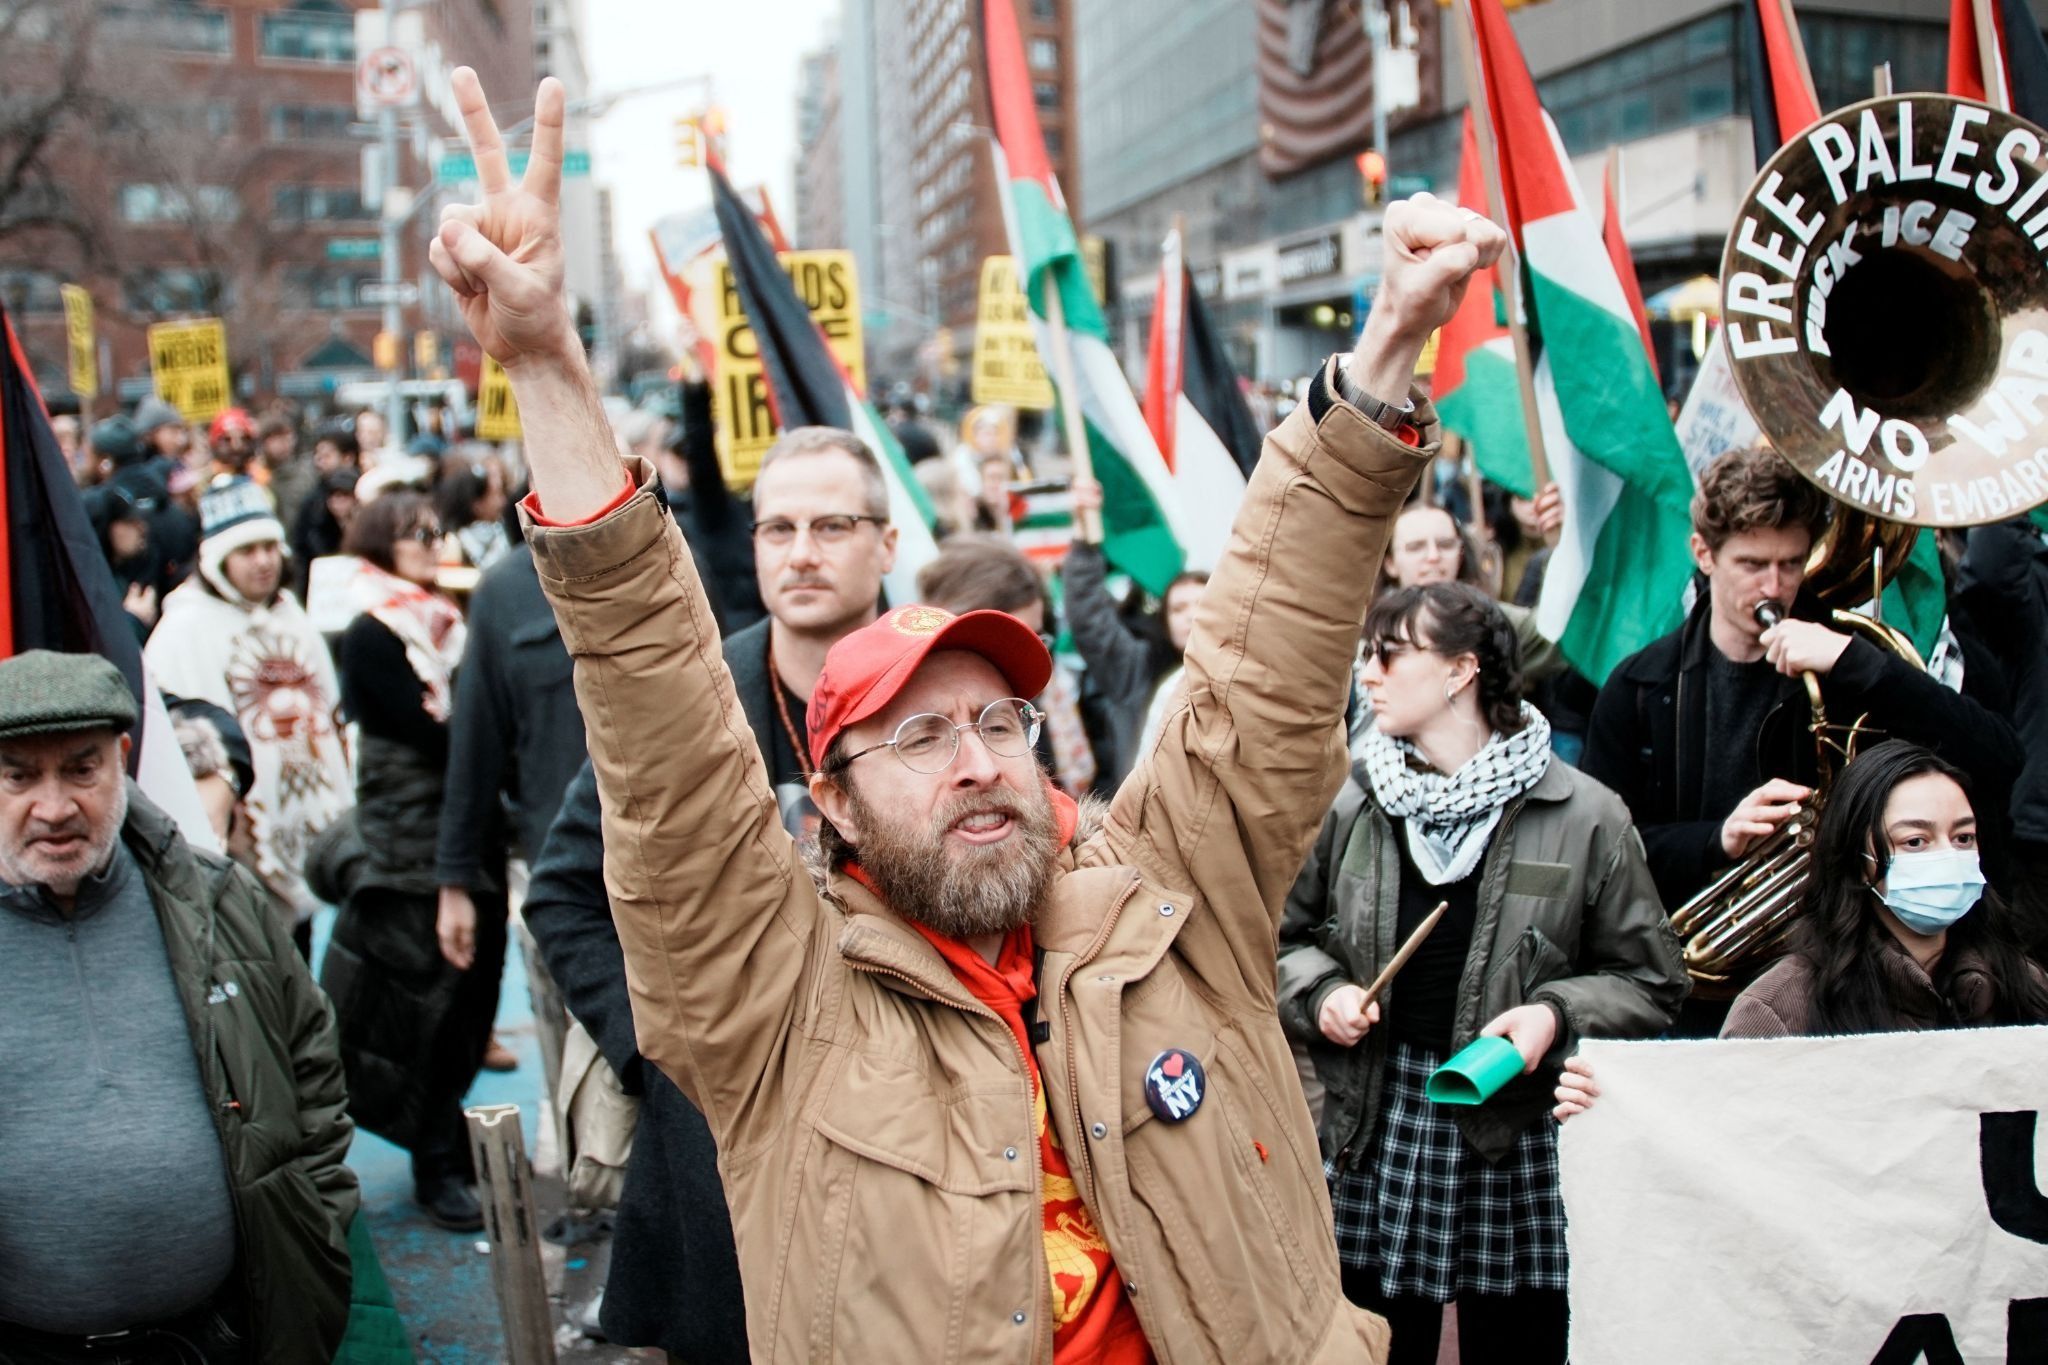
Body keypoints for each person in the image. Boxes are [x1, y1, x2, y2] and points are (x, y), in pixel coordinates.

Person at [427, 65, 1505, 1359]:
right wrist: (547, 366)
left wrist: (1386, 346)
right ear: (827, 798)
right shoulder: (775, 998)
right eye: (920, 736)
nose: (976, 761)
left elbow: (1265, 670)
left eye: (999, 722)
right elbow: (661, 739)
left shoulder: (1171, 905)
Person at [514, 420, 902, 1360]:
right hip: (720, 1162)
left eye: (832, 526)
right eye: (778, 529)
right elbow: (563, 893)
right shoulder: (695, 697)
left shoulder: (941, 690)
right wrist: (662, 1052)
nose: (801, 554)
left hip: (904, 1138)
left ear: (888, 543)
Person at [1277, 583, 1685, 1365]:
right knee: (1374, 1344)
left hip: (1518, 1125)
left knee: (1520, 1346)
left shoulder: (1586, 811)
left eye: (1389, 654)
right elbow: (1283, 940)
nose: (1368, 673)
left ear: (1462, 671)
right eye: (1367, 654)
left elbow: (1654, 981)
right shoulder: (1354, 798)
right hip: (1379, 1116)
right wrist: (1322, 993)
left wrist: (1555, 1015)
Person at [1581, 446, 2020, 1033]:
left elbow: (1996, 757)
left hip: (1841, 983)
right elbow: (1598, 858)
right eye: (1752, 564)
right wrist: (1717, 840)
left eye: (1790, 563)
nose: (1775, 586)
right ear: (1703, 555)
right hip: (1690, 995)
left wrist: (1857, 662)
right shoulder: (1640, 685)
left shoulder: (1852, 654)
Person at [0, 649, 356, 1359]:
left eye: (81, 767)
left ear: (123, 760)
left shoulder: (221, 901)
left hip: (216, 1338)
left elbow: (313, 1077)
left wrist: (312, 1229)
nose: (55, 806)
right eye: (19, 776)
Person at [1554, 741, 2048, 1118]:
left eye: (1963, 837)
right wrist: (1618, 1104)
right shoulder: (1778, 1009)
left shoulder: (2025, 986)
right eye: (1916, 841)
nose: (1948, 855)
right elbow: (1716, 1141)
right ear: (1859, 860)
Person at [319, 490, 500, 1233]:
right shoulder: (370, 630)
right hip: (410, 842)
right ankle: (435, 1161)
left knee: (472, 997)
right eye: (412, 533)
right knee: (429, 1001)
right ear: (377, 543)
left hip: (464, 826)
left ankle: (442, 1138)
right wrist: (479, 730)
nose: (430, 541)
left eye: (434, 528)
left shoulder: (446, 621)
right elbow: (432, 735)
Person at [146, 478, 354, 948]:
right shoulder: (183, 631)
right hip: (240, 845)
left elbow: (332, 714)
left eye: (268, 547)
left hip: (306, 808)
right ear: (219, 559)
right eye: (247, 551)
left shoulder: (291, 616)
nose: (262, 561)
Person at [918, 534, 1097, 795]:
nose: (1028, 654)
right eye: (1010, 640)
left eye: (1036, 637)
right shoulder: (921, 713)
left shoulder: (1040, 697)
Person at [84, 483, 159, 640]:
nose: (142, 528)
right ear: (106, 529)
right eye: (130, 522)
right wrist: (133, 620)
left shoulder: (120, 573)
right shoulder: (89, 587)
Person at [434, 452, 512, 569]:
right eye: (497, 494)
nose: (503, 501)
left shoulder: (501, 533)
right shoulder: (453, 547)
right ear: (477, 505)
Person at [259, 413, 318, 533]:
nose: (283, 444)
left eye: (287, 437)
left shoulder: (308, 472)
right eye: (276, 438)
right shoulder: (257, 476)